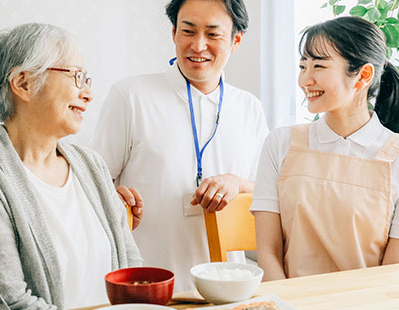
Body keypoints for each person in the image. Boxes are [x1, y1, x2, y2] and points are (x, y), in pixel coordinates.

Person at [0, 23, 142, 310]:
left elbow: (131, 271)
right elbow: (3, 309)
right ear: (23, 83)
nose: (87, 93)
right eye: (76, 76)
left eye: (86, 79)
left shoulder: (92, 166)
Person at [92, 0, 268, 291]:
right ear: (174, 33)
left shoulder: (249, 107)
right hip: (144, 282)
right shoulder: (130, 96)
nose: (198, 46)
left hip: (226, 286)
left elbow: (266, 189)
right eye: (188, 31)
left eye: (213, 34)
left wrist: (236, 183)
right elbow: (93, 187)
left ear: (236, 40)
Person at [251, 16, 399, 281]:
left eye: (318, 66)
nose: (305, 80)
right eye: (302, 66)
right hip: (292, 309)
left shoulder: (395, 156)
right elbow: (269, 254)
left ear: (363, 75)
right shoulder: (280, 143)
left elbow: (391, 273)